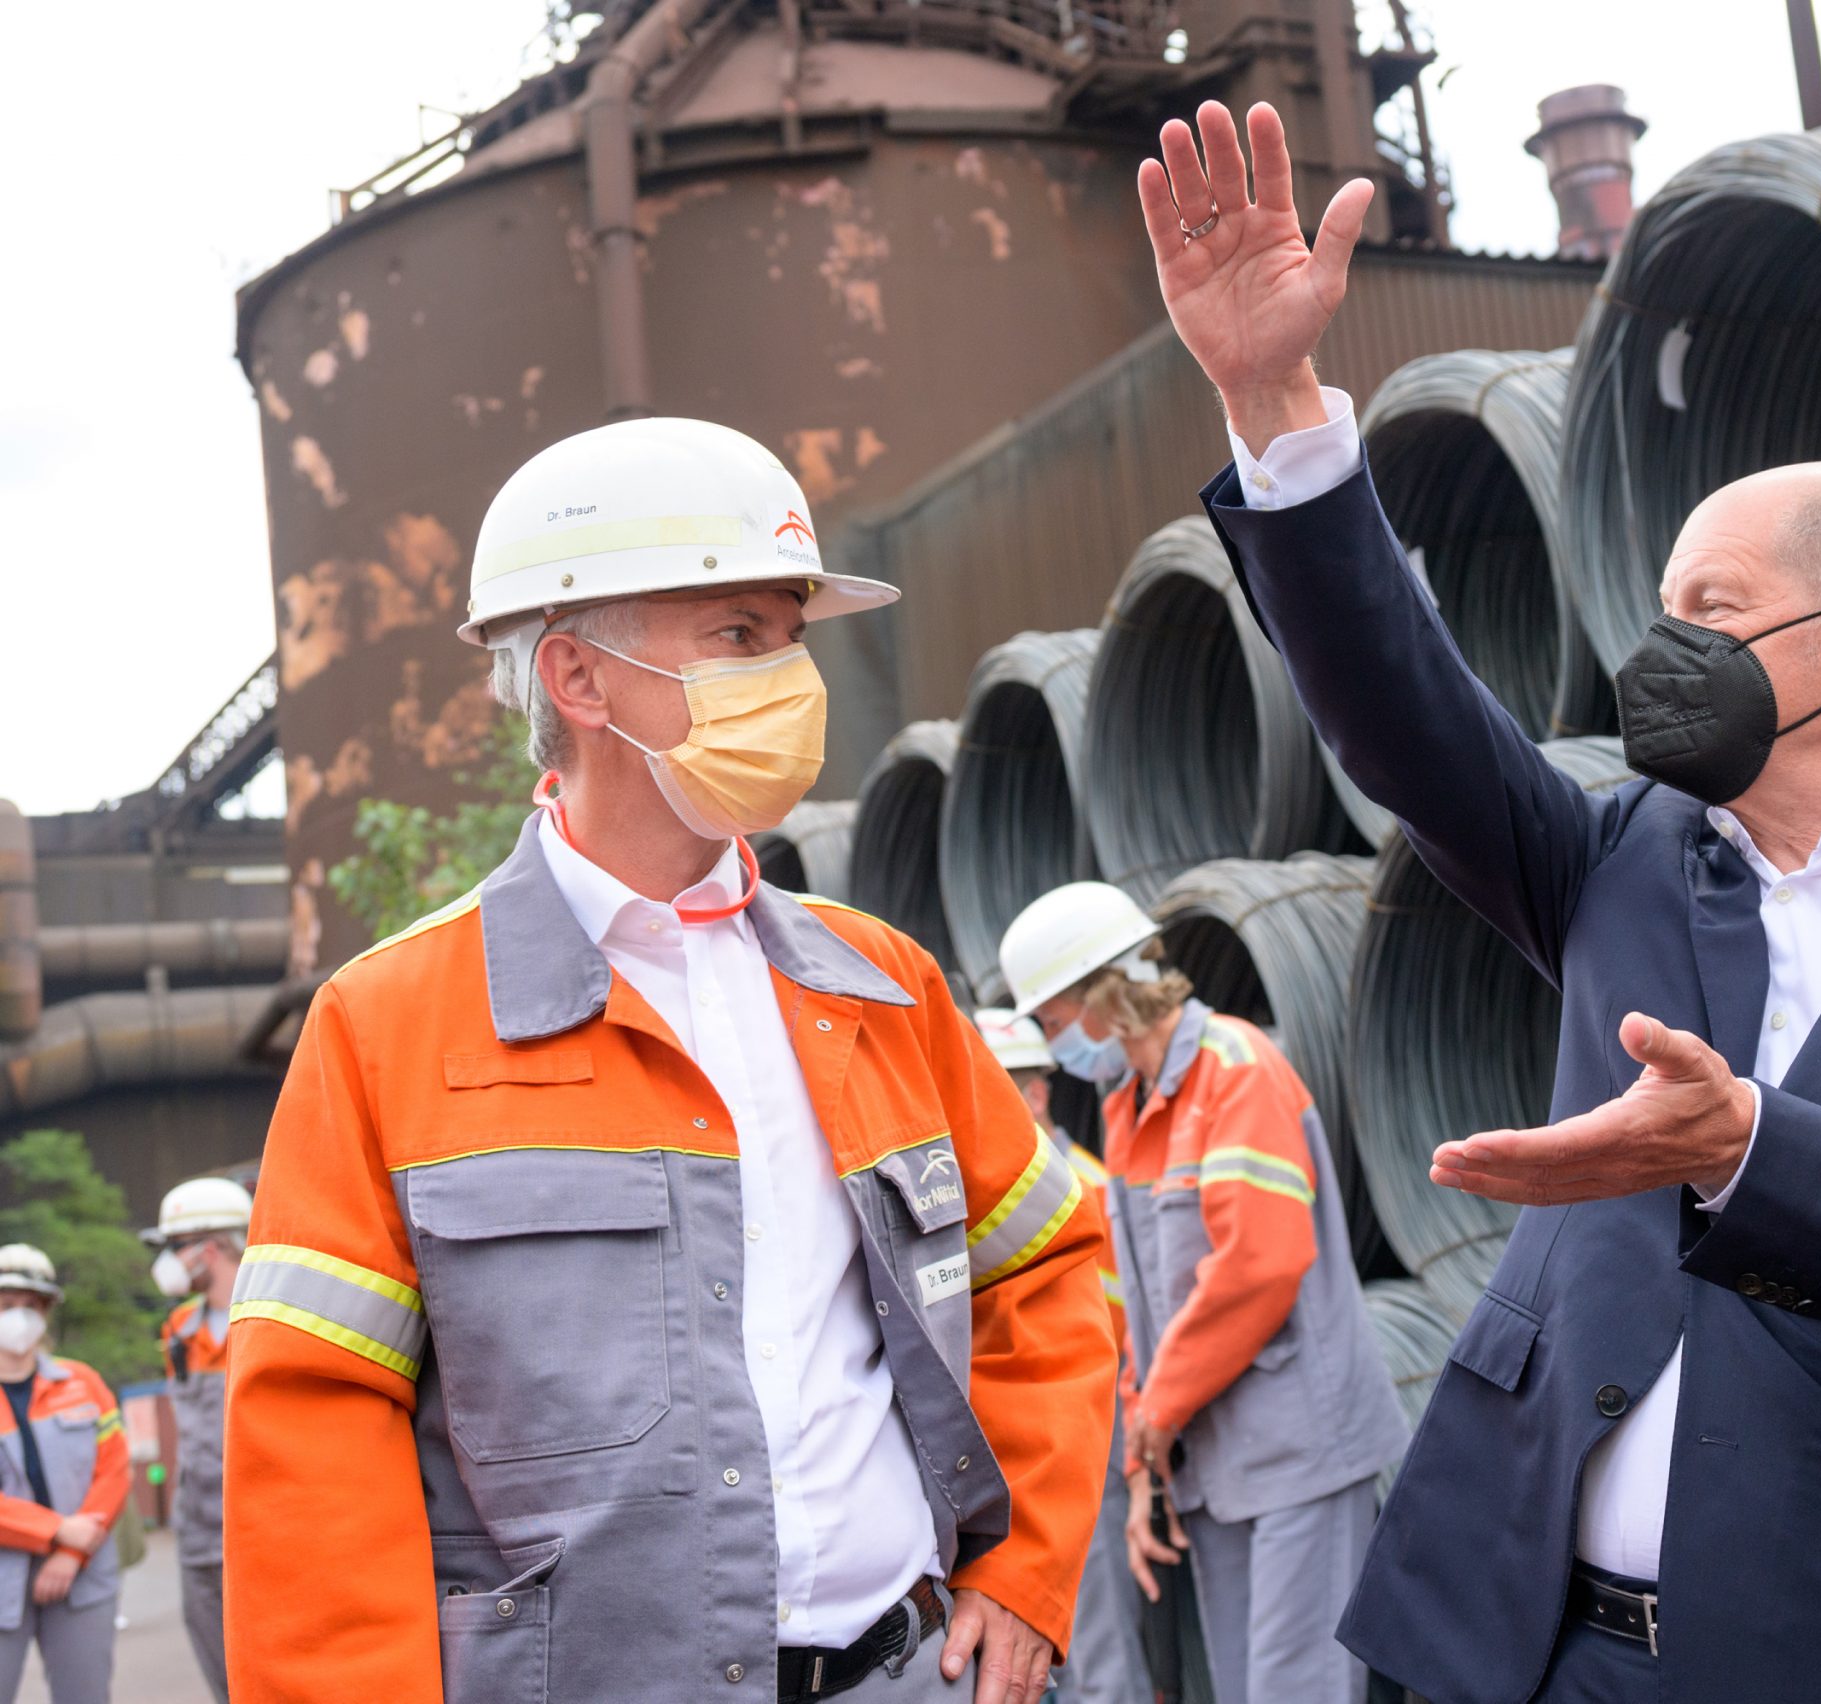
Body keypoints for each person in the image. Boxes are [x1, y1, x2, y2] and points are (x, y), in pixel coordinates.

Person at [1139, 102, 1821, 1704]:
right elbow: (1403, 715)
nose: (1665, 650)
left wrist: (1750, 1151)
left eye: (1715, 609)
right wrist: (1272, 402)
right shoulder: (1620, 857)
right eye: (1661, 611)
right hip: (1522, 1648)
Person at [225, 418, 1117, 1704]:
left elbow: (1046, 1263)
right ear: (580, 682)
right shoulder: (388, 1023)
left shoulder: (883, 987)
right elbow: (308, 1446)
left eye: (791, 637)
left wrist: (1025, 1567)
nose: (793, 683)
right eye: (739, 638)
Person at [997, 883, 1404, 1704]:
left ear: (1101, 995)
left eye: (1050, 1022)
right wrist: (1142, 1461)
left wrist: (1155, 1414)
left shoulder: (1236, 1068)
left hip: (1299, 1455)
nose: (1055, 1045)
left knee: (1298, 1690)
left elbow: (1259, 1264)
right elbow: (1144, 1304)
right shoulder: (1127, 1105)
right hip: (1213, 1464)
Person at [970, 1009, 1149, 1704]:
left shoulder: (1090, 1186)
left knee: (1092, 1644)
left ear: (1039, 1093)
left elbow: (1124, 1326)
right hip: (997, 1437)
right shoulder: (962, 1189)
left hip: (1084, 1428)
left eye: (1011, 1085)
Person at [0, 1245, 129, 1704]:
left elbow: (114, 1470)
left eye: (30, 1307)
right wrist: (57, 1530)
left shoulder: (83, 1383)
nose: (19, 1317)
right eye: (6, 1305)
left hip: (82, 1571)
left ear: (47, 1312)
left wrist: (71, 1552)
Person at [141, 1174, 253, 1704]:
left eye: (176, 1247)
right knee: (219, 1665)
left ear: (211, 1247)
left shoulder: (268, 1313)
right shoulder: (179, 1330)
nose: (169, 1260)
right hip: (198, 1527)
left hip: (260, 1520)